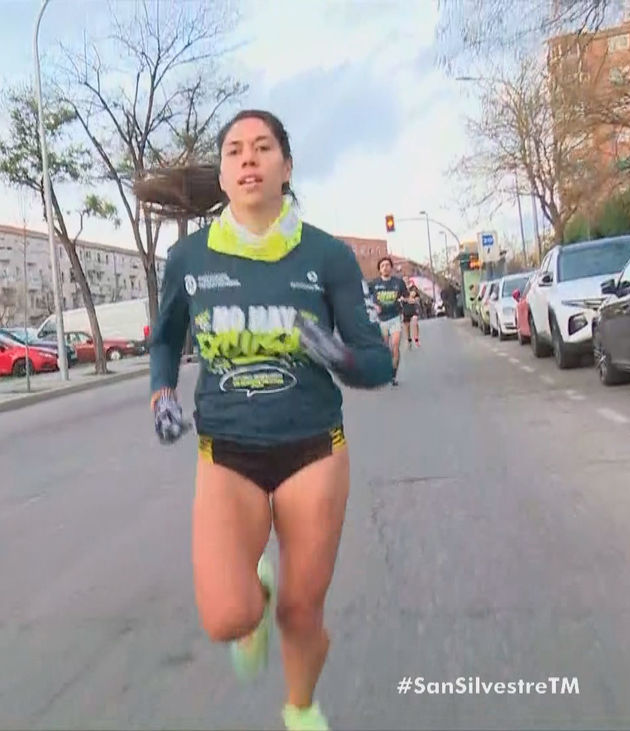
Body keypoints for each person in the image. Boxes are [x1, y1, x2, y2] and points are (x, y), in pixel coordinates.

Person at [145, 108, 394, 731]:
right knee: (227, 617)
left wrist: (338, 355)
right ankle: (252, 592)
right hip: (227, 452)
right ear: (223, 176)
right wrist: (162, 392)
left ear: (286, 166)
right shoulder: (189, 259)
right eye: (234, 151)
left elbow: (375, 362)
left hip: (313, 448)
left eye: (262, 147)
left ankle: (300, 708)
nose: (248, 159)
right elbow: (166, 338)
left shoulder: (327, 255)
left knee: (301, 612)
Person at [369, 257, 409, 385]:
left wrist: (406, 299)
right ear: (379, 270)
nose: (385, 267)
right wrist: (373, 306)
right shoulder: (374, 284)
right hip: (381, 320)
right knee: (385, 349)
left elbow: (407, 296)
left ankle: (393, 374)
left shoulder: (398, 282)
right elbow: (364, 297)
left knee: (395, 346)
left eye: (387, 265)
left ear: (391, 267)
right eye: (382, 266)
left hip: (395, 317)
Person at [400, 277, 421, 349]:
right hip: (405, 309)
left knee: (415, 322)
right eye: (404, 280)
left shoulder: (413, 287)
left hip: (413, 308)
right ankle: (409, 340)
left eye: (407, 279)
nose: (406, 281)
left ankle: (416, 339)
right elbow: (399, 298)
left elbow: (416, 297)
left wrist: (413, 300)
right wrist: (406, 299)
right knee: (407, 326)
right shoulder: (401, 289)